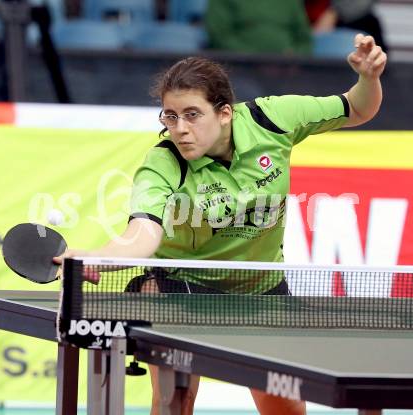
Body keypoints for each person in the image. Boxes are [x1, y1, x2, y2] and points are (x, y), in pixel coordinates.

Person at [56, 33, 387, 415]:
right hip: (183, 287)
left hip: (259, 288)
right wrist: (98, 259)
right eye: (170, 115)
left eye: (192, 115)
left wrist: (369, 79)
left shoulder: (274, 119)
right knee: (175, 402)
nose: (179, 128)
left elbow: (358, 109)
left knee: (285, 409)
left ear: (225, 112)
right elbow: (143, 233)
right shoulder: (163, 164)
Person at [205, 0, 312, 55]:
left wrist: (294, 59)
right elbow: (220, 34)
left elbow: (304, 39)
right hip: (241, 70)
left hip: (288, 72)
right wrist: (253, 59)